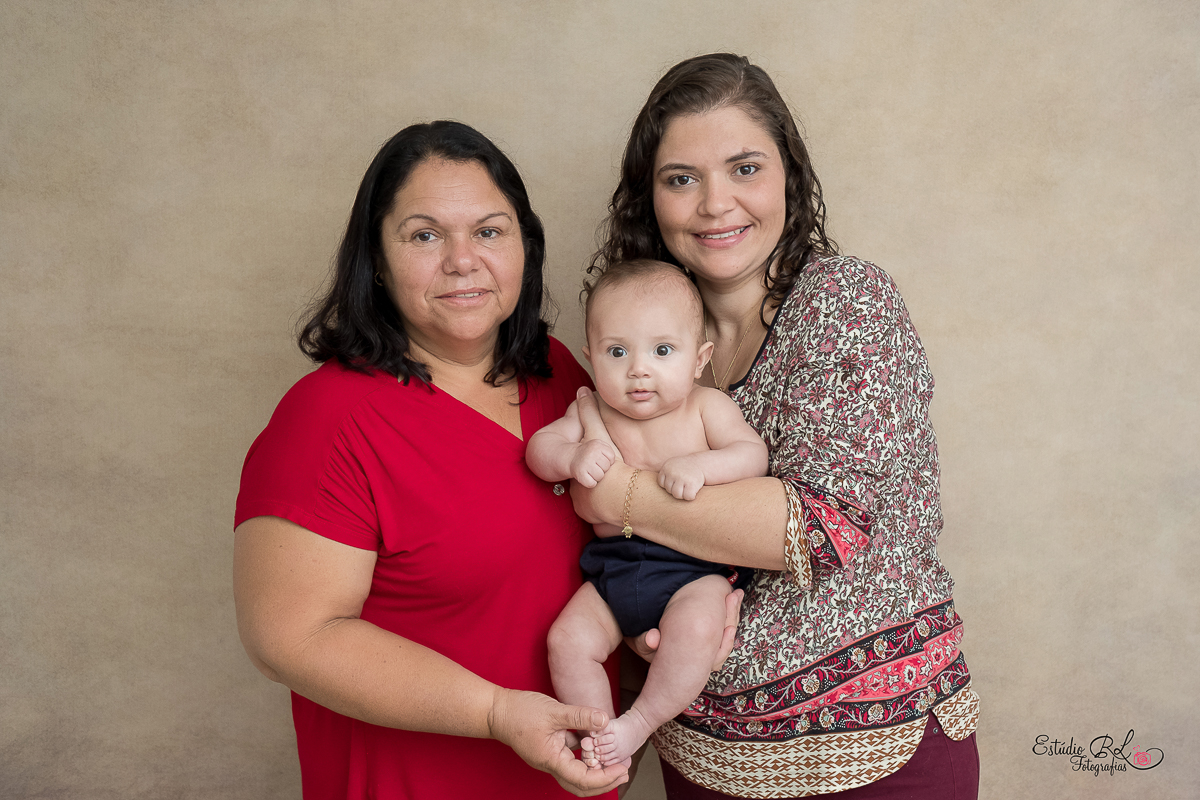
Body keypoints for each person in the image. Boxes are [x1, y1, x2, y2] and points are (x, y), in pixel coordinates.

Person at [570, 54, 981, 799]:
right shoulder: (643, 337)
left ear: (788, 174)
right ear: (649, 199)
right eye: (681, 178)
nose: (714, 204)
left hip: (867, 752)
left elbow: (819, 529)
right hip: (699, 756)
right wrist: (636, 612)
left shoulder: (845, 302)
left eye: (745, 168)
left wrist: (617, 497)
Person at [232, 120, 629, 799]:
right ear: (377, 261)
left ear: (526, 248)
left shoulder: (562, 374)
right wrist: (495, 713)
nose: (462, 260)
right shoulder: (326, 420)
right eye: (424, 235)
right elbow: (291, 639)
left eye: (490, 231)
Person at [526, 259, 768, 769]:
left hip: (691, 570)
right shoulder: (591, 410)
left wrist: (701, 466)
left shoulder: (706, 407)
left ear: (699, 359)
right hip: (614, 566)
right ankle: (596, 733)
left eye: (663, 351)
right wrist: (570, 457)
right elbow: (538, 450)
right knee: (567, 640)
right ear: (592, 359)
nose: (639, 369)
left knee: (698, 628)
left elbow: (752, 456)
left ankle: (639, 722)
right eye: (618, 352)